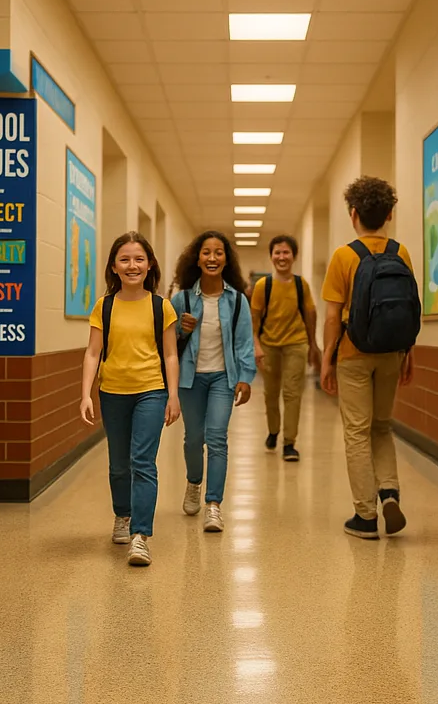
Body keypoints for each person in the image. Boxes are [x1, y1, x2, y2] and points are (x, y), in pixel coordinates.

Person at [320, 177, 420, 540]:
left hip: (354, 353)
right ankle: (389, 492)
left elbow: (333, 316)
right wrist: (408, 352)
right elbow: (408, 308)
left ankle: (365, 515)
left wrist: (327, 359)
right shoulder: (401, 252)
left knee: (357, 433)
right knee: (382, 426)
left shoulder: (344, 256)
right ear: (389, 214)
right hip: (392, 352)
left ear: (353, 214)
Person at [81, 231, 181, 567]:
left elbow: (170, 355)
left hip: (151, 391)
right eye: (125, 259)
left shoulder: (160, 306)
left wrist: (173, 395)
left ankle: (141, 536)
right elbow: (93, 352)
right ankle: (122, 515)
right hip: (112, 393)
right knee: (118, 466)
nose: (132, 265)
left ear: (150, 264)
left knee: (143, 462)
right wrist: (86, 393)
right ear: (113, 266)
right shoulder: (104, 306)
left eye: (139, 259)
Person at [171, 231, 256, 533]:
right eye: (206, 252)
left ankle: (213, 505)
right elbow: (168, 343)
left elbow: (244, 342)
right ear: (197, 259)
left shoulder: (236, 301)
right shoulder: (180, 299)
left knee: (217, 437)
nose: (212, 258)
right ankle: (194, 482)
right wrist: (181, 329)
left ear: (226, 260)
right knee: (194, 438)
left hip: (223, 377)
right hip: (189, 379)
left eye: (218, 252)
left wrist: (245, 378)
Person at [250, 235, 321, 461]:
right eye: (277, 252)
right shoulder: (263, 286)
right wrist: (256, 345)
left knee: (292, 394)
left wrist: (313, 345)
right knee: (271, 393)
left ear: (294, 256)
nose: (282, 257)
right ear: (271, 257)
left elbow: (310, 313)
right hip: (269, 345)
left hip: (296, 344)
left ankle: (290, 443)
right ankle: (273, 430)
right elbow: (254, 319)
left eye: (286, 252)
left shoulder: (302, 285)